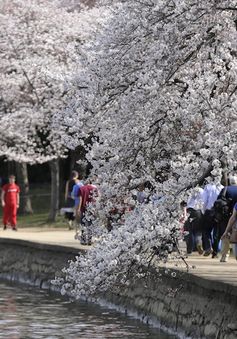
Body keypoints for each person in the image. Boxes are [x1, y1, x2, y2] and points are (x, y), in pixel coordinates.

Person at [215, 175, 237, 262]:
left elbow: (218, 201)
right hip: (236, 213)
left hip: (226, 215)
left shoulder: (226, 189)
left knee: (226, 233)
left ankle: (225, 256)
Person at [202, 181, 223, 257]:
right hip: (219, 212)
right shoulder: (222, 187)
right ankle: (216, 251)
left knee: (206, 231)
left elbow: (204, 200)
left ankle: (208, 247)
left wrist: (203, 210)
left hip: (209, 211)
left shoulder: (208, 187)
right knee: (216, 232)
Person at [76, 178, 98, 245]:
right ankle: (89, 240)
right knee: (90, 224)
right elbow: (96, 199)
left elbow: (80, 199)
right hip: (91, 208)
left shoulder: (81, 188)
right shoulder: (94, 188)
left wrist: (78, 209)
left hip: (83, 208)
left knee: (83, 224)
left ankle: (83, 239)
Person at [184, 187, 204, 255]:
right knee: (198, 231)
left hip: (189, 211)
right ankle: (199, 243)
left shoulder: (189, 190)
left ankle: (189, 250)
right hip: (198, 211)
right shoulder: (202, 190)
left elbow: (185, 203)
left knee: (190, 231)